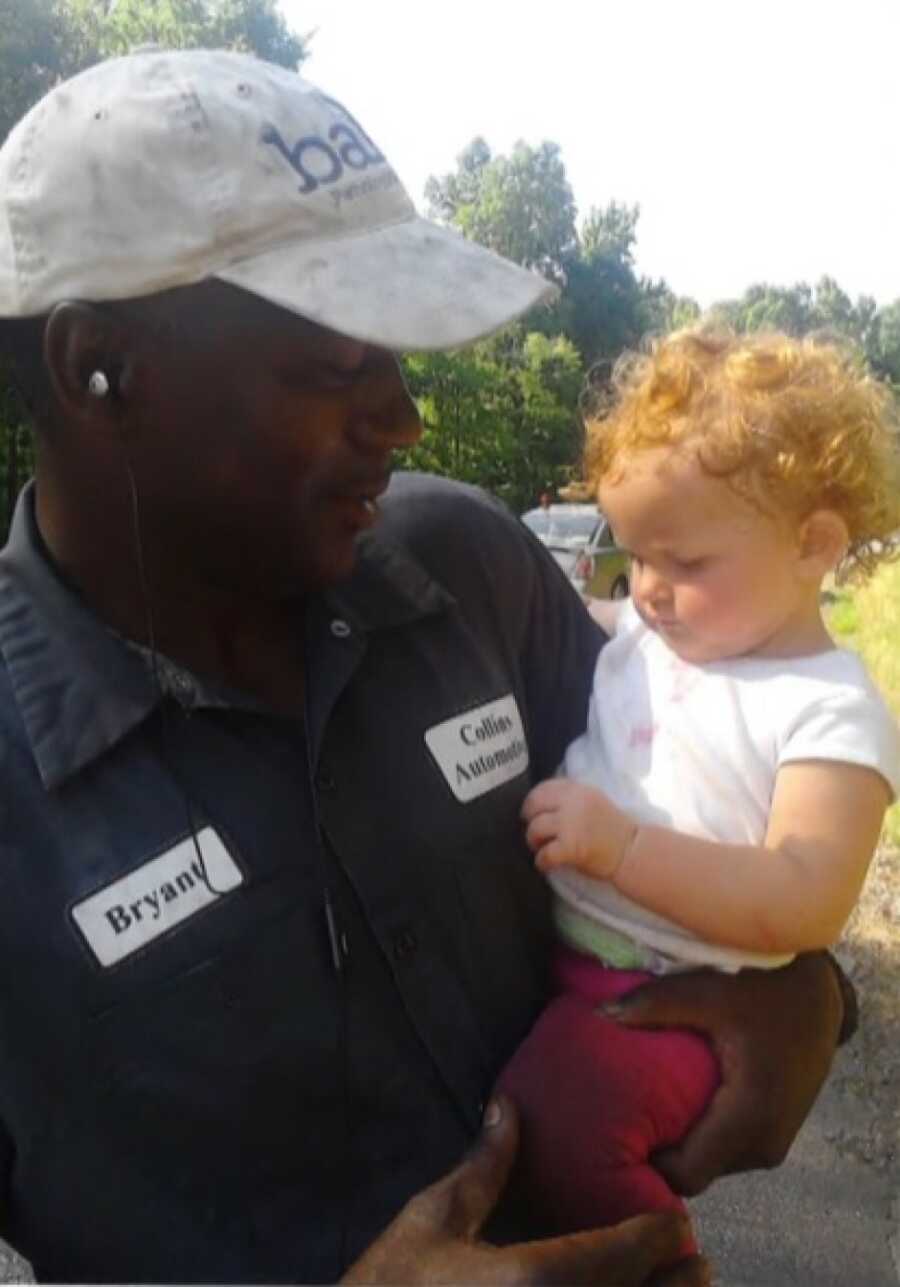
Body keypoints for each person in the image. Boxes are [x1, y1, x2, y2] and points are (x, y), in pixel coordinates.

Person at [0, 48, 851, 1284]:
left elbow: (725, 800)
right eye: (338, 364)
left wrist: (808, 994)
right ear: (102, 369)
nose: (402, 417)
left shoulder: (473, 568)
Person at [500, 329, 900, 1246]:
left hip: (678, 1000)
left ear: (814, 544)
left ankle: (663, 1263)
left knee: (560, 1123)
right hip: (576, 976)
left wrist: (624, 847)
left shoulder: (827, 709)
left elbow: (805, 899)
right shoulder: (658, 634)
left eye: (684, 564)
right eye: (636, 556)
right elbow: (576, 612)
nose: (647, 590)